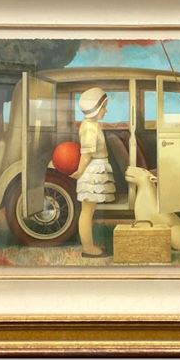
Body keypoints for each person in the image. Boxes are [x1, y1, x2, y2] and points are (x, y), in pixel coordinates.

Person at [70, 87, 115, 257]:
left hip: (95, 168)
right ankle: (88, 248)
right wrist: (80, 171)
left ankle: (89, 246)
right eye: (104, 107)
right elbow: (87, 154)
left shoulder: (92, 125)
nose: (106, 111)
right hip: (92, 172)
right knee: (87, 211)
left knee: (89, 211)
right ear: (95, 108)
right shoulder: (89, 127)